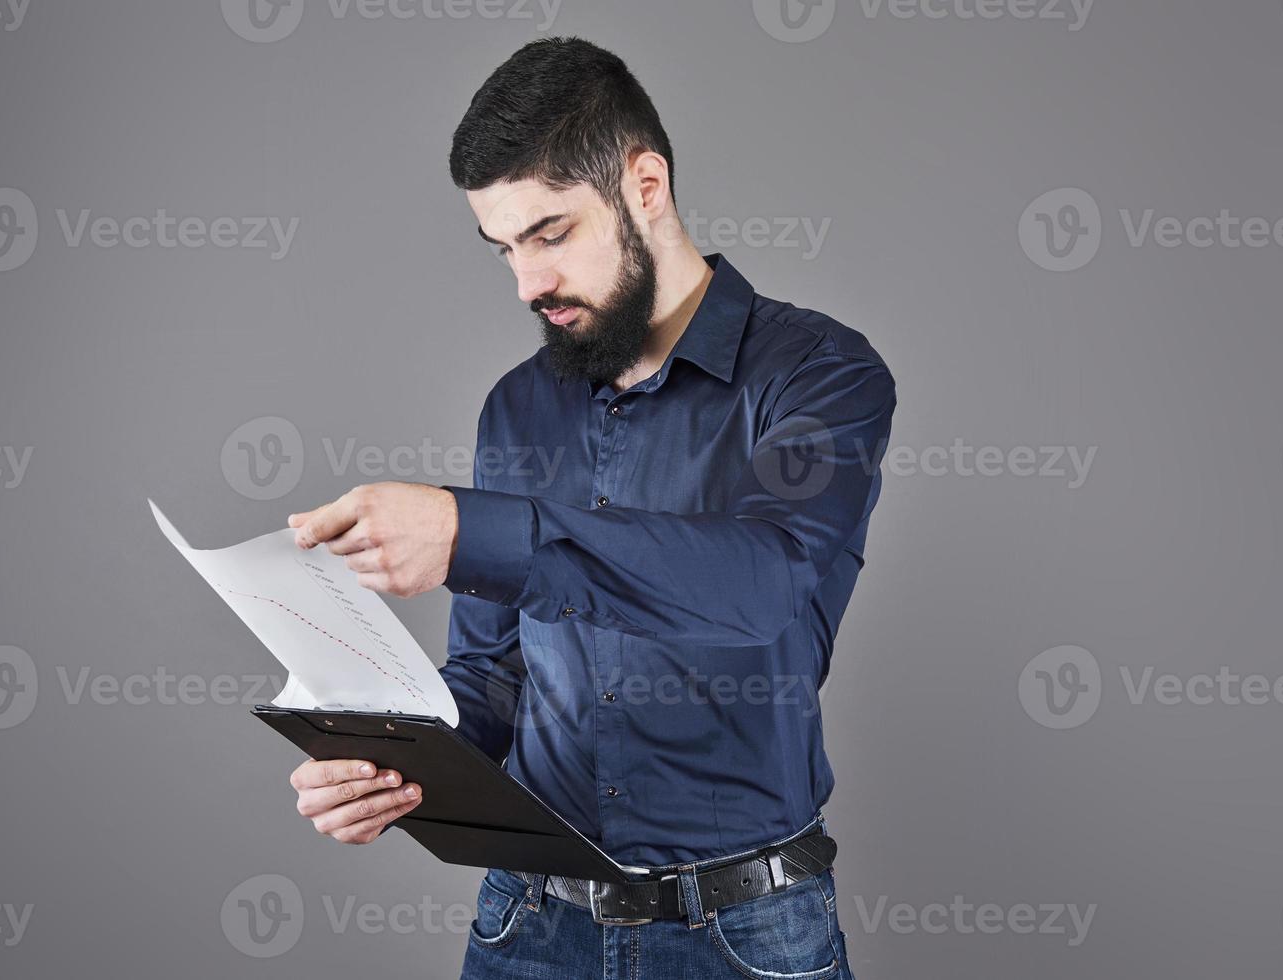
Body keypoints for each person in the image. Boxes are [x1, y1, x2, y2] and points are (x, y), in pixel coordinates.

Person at [285, 36, 894, 979]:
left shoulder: (820, 374)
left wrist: (469, 531)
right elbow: (492, 675)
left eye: (550, 233)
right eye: (504, 249)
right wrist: (396, 763)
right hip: (526, 928)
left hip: (746, 939)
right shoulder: (516, 407)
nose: (528, 284)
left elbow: (764, 581)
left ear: (643, 185)